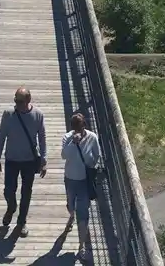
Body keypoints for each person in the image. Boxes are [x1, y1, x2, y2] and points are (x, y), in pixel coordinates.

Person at [0, 87, 47, 234]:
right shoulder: (8, 115)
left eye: (20, 101)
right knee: (8, 190)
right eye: (15, 100)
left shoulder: (38, 115)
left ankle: (21, 222)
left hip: (29, 161)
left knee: (26, 192)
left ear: (28, 100)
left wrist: (44, 159)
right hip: (11, 159)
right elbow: (1, 137)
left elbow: (42, 138)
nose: (17, 103)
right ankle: (11, 207)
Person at [61, 112, 102, 262]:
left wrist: (90, 164)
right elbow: (64, 156)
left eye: (78, 126)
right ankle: (71, 215)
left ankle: (81, 246)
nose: (76, 130)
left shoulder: (92, 137)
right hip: (70, 179)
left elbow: (97, 155)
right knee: (71, 206)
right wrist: (73, 142)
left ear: (84, 125)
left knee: (83, 212)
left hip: (84, 181)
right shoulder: (67, 138)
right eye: (73, 127)